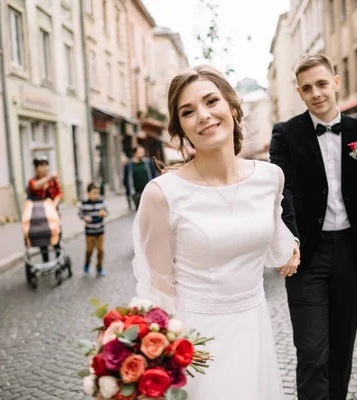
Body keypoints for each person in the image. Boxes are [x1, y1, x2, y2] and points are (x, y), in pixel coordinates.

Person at [132, 65, 298, 399]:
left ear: (233, 108)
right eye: (188, 112)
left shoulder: (271, 178)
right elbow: (160, 287)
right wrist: (159, 359)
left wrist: (292, 245)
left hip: (253, 327)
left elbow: (277, 243)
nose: (204, 116)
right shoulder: (162, 194)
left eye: (211, 101)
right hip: (197, 341)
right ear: (181, 129)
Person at [269, 54, 357, 400]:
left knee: (341, 350)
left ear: (336, 82)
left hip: (352, 253)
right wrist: (290, 242)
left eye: (322, 84)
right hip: (306, 256)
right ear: (299, 92)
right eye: (308, 88)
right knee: (313, 351)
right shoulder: (285, 134)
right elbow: (282, 194)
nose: (316, 93)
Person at [27, 157, 63, 262]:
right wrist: (49, 178)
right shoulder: (33, 181)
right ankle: (45, 262)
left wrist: (54, 204)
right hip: (38, 215)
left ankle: (58, 261)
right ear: (36, 168)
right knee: (42, 239)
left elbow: (59, 194)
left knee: (56, 237)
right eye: (42, 165)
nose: (45, 168)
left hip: (52, 214)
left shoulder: (53, 181)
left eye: (46, 165)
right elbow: (35, 186)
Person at [79, 183, 108, 276]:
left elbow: (106, 212)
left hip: (100, 231)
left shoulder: (101, 202)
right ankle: (87, 263)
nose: (96, 195)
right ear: (88, 193)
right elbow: (80, 213)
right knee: (89, 251)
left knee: (100, 251)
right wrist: (85, 217)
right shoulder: (84, 204)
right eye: (94, 193)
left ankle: (99, 268)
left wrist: (104, 213)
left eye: (97, 193)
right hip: (90, 232)